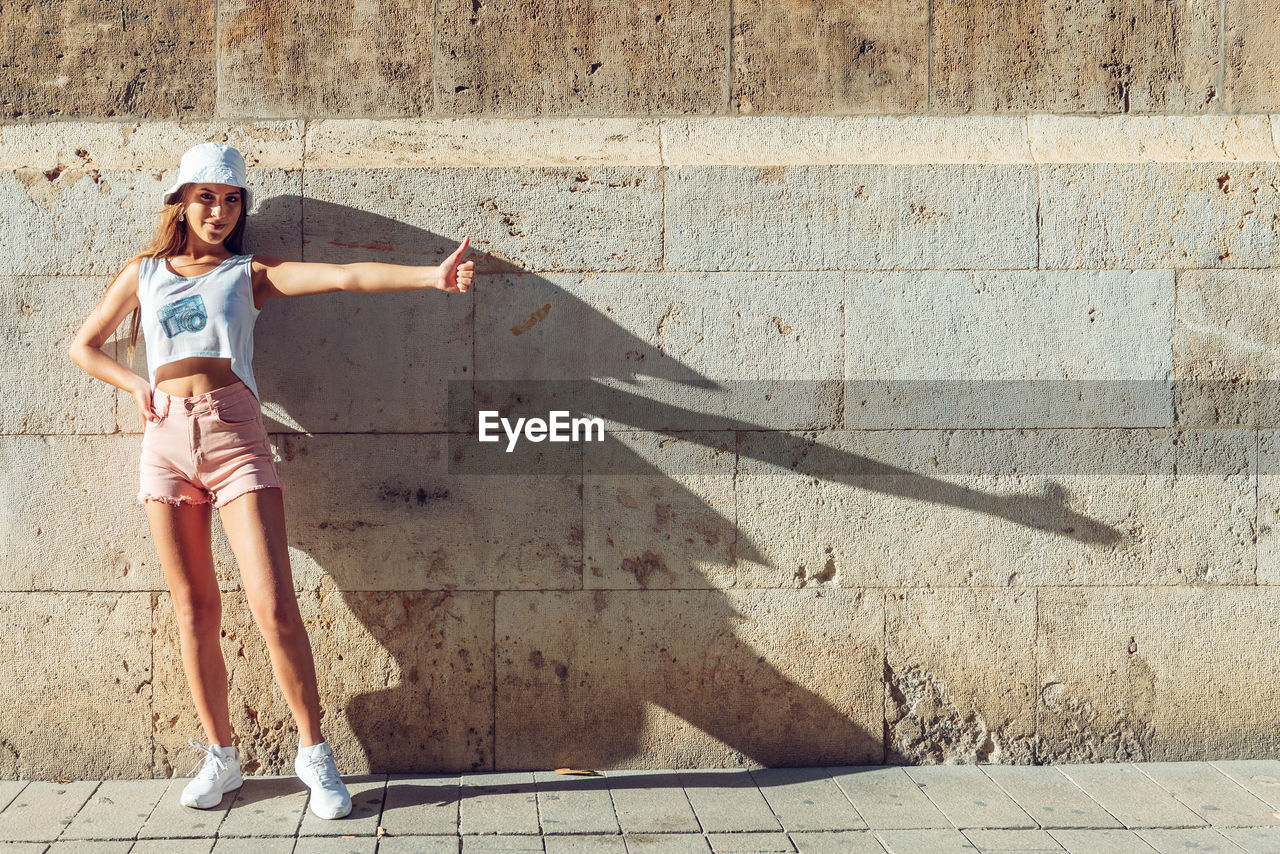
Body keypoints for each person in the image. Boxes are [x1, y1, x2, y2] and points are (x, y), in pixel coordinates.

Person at [66, 142, 474, 819]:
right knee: (194, 610)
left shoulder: (246, 273)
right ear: (181, 200)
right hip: (164, 440)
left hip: (234, 438)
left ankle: (314, 754)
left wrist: (429, 279)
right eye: (206, 198)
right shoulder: (143, 274)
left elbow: (342, 278)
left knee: (273, 603)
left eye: (231, 201)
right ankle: (220, 757)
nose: (220, 212)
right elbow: (84, 346)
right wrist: (134, 384)